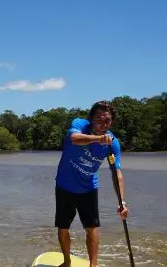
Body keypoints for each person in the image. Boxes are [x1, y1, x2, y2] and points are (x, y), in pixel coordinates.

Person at [53, 100, 128, 267]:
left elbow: (116, 173)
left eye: (107, 121)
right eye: (99, 120)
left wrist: (122, 202)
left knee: (92, 228)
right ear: (91, 119)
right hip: (65, 186)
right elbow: (74, 139)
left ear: (112, 121)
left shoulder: (112, 143)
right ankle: (67, 261)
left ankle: (93, 265)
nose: (103, 124)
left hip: (88, 188)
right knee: (63, 227)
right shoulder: (79, 124)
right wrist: (98, 139)